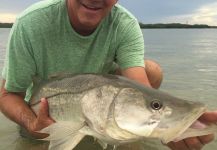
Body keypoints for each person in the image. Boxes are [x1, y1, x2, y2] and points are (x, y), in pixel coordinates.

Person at [0, 0, 216, 150]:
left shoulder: (125, 23)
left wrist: (172, 127)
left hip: (100, 98)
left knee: (151, 71)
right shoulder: (31, 22)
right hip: (40, 108)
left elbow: (139, 85)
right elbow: (8, 95)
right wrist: (31, 123)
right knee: (31, 141)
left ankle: (126, 134)